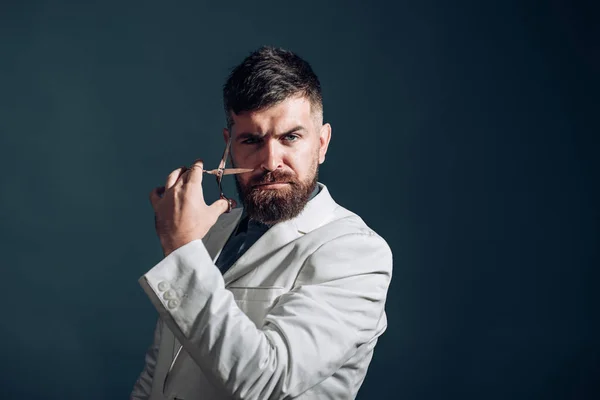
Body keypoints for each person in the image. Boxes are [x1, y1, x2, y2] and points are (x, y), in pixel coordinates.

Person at [131, 46, 393, 400]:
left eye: (291, 137)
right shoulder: (209, 233)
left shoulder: (357, 253)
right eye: (252, 140)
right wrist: (188, 249)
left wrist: (181, 251)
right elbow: (160, 374)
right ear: (229, 147)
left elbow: (267, 382)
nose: (271, 161)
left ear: (322, 143)